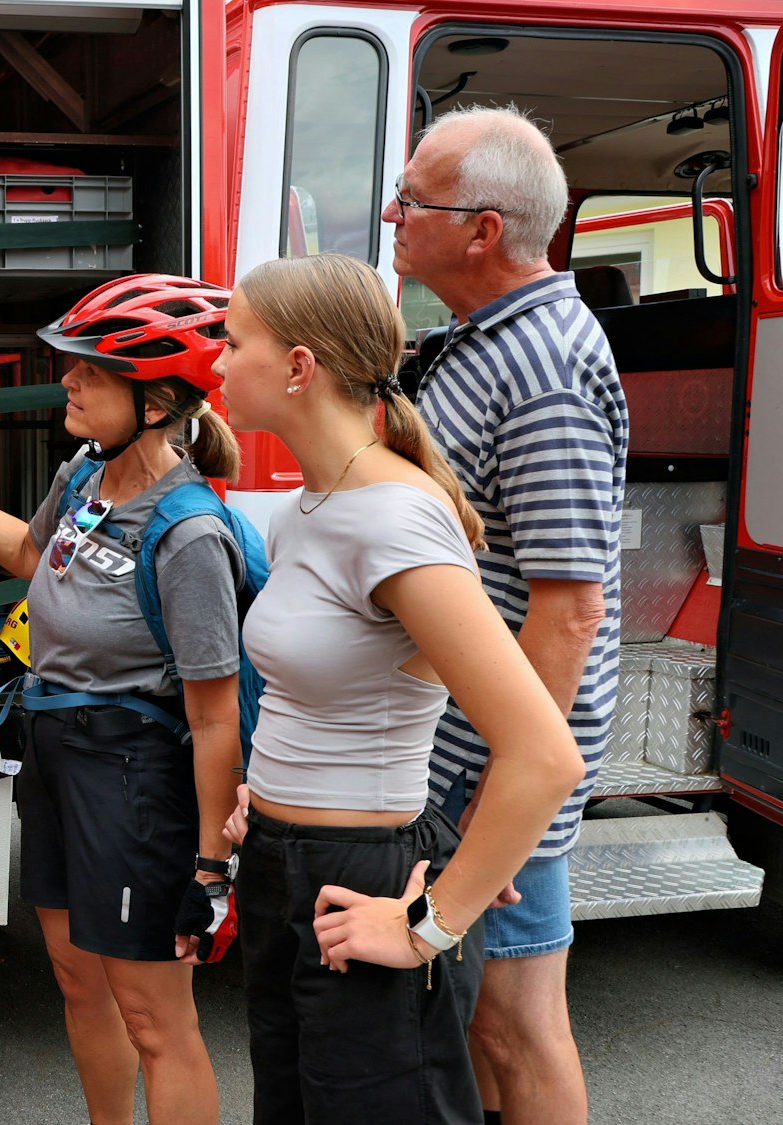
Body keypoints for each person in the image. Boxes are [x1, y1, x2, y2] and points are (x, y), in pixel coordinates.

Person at [213, 252, 586, 1124]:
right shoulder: (315, 501)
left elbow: (544, 755)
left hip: (359, 877)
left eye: (233, 343)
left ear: (299, 367)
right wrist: (263, 793)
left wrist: (427, 925)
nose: (217, 363)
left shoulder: (392, 514)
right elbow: (329, 685)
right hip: (284, 860)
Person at [0, 275, 244, 1125]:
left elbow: (214, 718)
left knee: (154, 1016)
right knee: (77, 981)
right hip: (56, 754)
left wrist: (211, 869)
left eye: (91, 370)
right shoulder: (86, 475)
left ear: (158, 397)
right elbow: (27, 552)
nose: (69, 381)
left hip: (133, 777)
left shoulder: (189, 532)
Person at [384, 104, 628, 1125]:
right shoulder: (476, 341)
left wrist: (498, 799)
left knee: (515, 1023)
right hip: (470, 749)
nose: (390, 211)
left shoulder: (541, 372)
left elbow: (569, 610)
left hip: (503, 765)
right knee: (478, 1012)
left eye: (412, 199)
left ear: (482, 229)